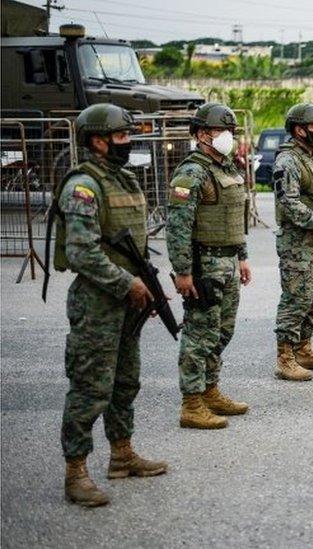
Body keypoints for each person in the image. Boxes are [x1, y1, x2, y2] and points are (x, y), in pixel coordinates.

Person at [52, 103, 167, 506]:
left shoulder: (124, 179)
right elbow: (81, 251)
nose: (128, 143)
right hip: (98, 301)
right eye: (121, 137)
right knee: (90, 387)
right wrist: (127, 284)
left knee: (124, 382)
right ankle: (76, 472)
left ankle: (122, 455)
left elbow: (132, 245)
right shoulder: (83, 186)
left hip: (129, 296)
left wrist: (147, 284)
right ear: (98, 141)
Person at [168, 103, 251, 430]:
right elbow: (178, 226)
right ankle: (191, 403)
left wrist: (242, 255)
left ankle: (210, 390)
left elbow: (235, 216)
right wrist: (183, 271)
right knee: (199, 334)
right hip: (204, 263)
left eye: (232, 132)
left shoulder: (227, 167)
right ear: (203, 134)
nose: (229, 137)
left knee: (222, 331)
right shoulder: (192, 172)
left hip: (228, 260)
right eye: (223, 132)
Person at [272, 103, 313, 381]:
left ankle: (303, 348)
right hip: (298, 242)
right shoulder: (288, 160)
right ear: (299, 130)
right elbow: (287, 201)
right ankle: (285, 357)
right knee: (296, 299)